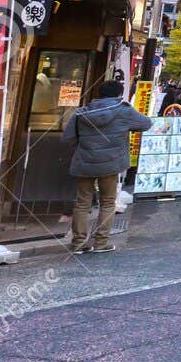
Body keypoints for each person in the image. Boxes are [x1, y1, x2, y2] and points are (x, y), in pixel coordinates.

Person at [62, 80, 152, 254]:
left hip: (85, 162)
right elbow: (146, 124)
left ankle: (78, 243)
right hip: (111, 163)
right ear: (119, 94)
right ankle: (101, 243)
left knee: (82, 203)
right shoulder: (123, 110)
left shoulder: (82, 111)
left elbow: (68, 138)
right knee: (108, 202)